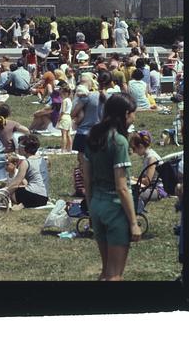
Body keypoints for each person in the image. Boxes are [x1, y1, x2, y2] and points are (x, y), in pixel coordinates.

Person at [83, 92, 141, 280]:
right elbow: (121, 187)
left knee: (106, 271)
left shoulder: (93, 136)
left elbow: (87, 179)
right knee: (115, 275)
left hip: (97, 205)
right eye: (133, 113)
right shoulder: (119, 142)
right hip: (115, 208)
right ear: (125, 114)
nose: (134, 117)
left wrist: (91, 209)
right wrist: (134, 223)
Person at [5, 135, 48, 209]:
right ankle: (23, 204)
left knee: (13, 191)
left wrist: (3, 193)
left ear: (25, 148)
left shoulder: (25, 162)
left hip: (32, 196)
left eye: (20, 145)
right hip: (44, 198)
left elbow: (16, 183)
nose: (18, 147)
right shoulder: (42, 160)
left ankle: (22, 204)